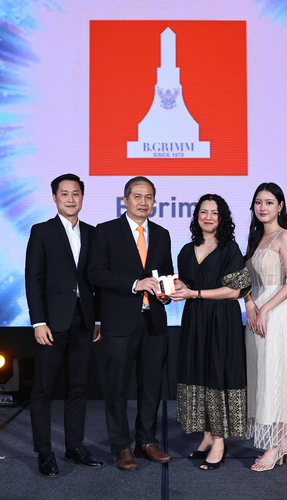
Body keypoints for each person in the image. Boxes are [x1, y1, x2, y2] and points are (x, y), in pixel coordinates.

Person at [88, 176, 175, 471]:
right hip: (119, 321)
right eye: (137, 196)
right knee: (117, 388)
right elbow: (96, 273)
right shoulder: (106, 231)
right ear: (125, 200)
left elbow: (166, 273)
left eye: (148, 197)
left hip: (154, 321)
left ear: (154, 201)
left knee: (151, 386)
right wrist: (135, 284)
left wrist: (166, 292)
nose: (143, 202)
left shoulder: (162, 234)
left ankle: (146, 441)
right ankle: (121, 446)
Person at [25, 173, 103, 477]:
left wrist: (97, 318)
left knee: (78, 387)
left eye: (76, 194)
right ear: (55, 198)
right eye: (64, 194)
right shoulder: (41, 231)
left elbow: (95, 280)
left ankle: (74, 447)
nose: (70, 199)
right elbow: (33, 278)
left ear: (82, 197)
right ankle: (44, 452)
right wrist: (38, 321)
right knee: (42, 389)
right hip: (51, 322)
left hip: (84, 320)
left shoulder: (93, 233)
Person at [171, 194, 252, 470]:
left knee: (217, 375)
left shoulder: (230, 249)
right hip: (194, 320)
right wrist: (177, 290)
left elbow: (235, 291)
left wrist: (195, 293)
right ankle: (206, 435)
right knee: (198, 373)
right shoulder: (185, 250)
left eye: (214, 213)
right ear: (196, 216)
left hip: (221, 321)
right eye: (203, 212)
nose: (208, 217)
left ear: (222, 218)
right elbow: (184, 285)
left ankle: (219, 441)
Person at [243, 182, 287, 472]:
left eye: (269, 202)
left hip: (275, 312)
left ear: (280, 206)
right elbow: (245, 280)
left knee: (275, 375)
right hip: (255, 312)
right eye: (258, 202)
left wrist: (266, 308)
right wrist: (250, 304)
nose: (263, 207)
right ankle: (284, 443)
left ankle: (276, 444)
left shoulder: (284, 237)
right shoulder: (256, 238)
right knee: (262, 374)